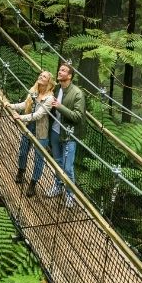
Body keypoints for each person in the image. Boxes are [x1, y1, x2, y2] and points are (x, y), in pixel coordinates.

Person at [8, 70, 55, 197]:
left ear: (49, 82)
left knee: (38, 159)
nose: (41, 76)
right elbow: (25, 104)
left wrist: (21, 118)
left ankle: (33, 184)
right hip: (29, 127)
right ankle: (21, 171)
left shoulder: (50, 98)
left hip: (41, 131)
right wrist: (11, 105)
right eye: (40, 75)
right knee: (22, 151)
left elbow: (39, 115)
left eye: (44, 76)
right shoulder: (34, 90)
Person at [47, 63, 85, 204]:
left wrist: (60, 107)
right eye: (59, 69)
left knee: (68, 167)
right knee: (57, 162)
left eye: (63, 70)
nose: (59, 71)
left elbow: (77, 116)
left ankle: (70, 195)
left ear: (70, 76)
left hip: (69, 135)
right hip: (55, 132)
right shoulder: (57, 89)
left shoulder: (77, 93)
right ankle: (58, 186)